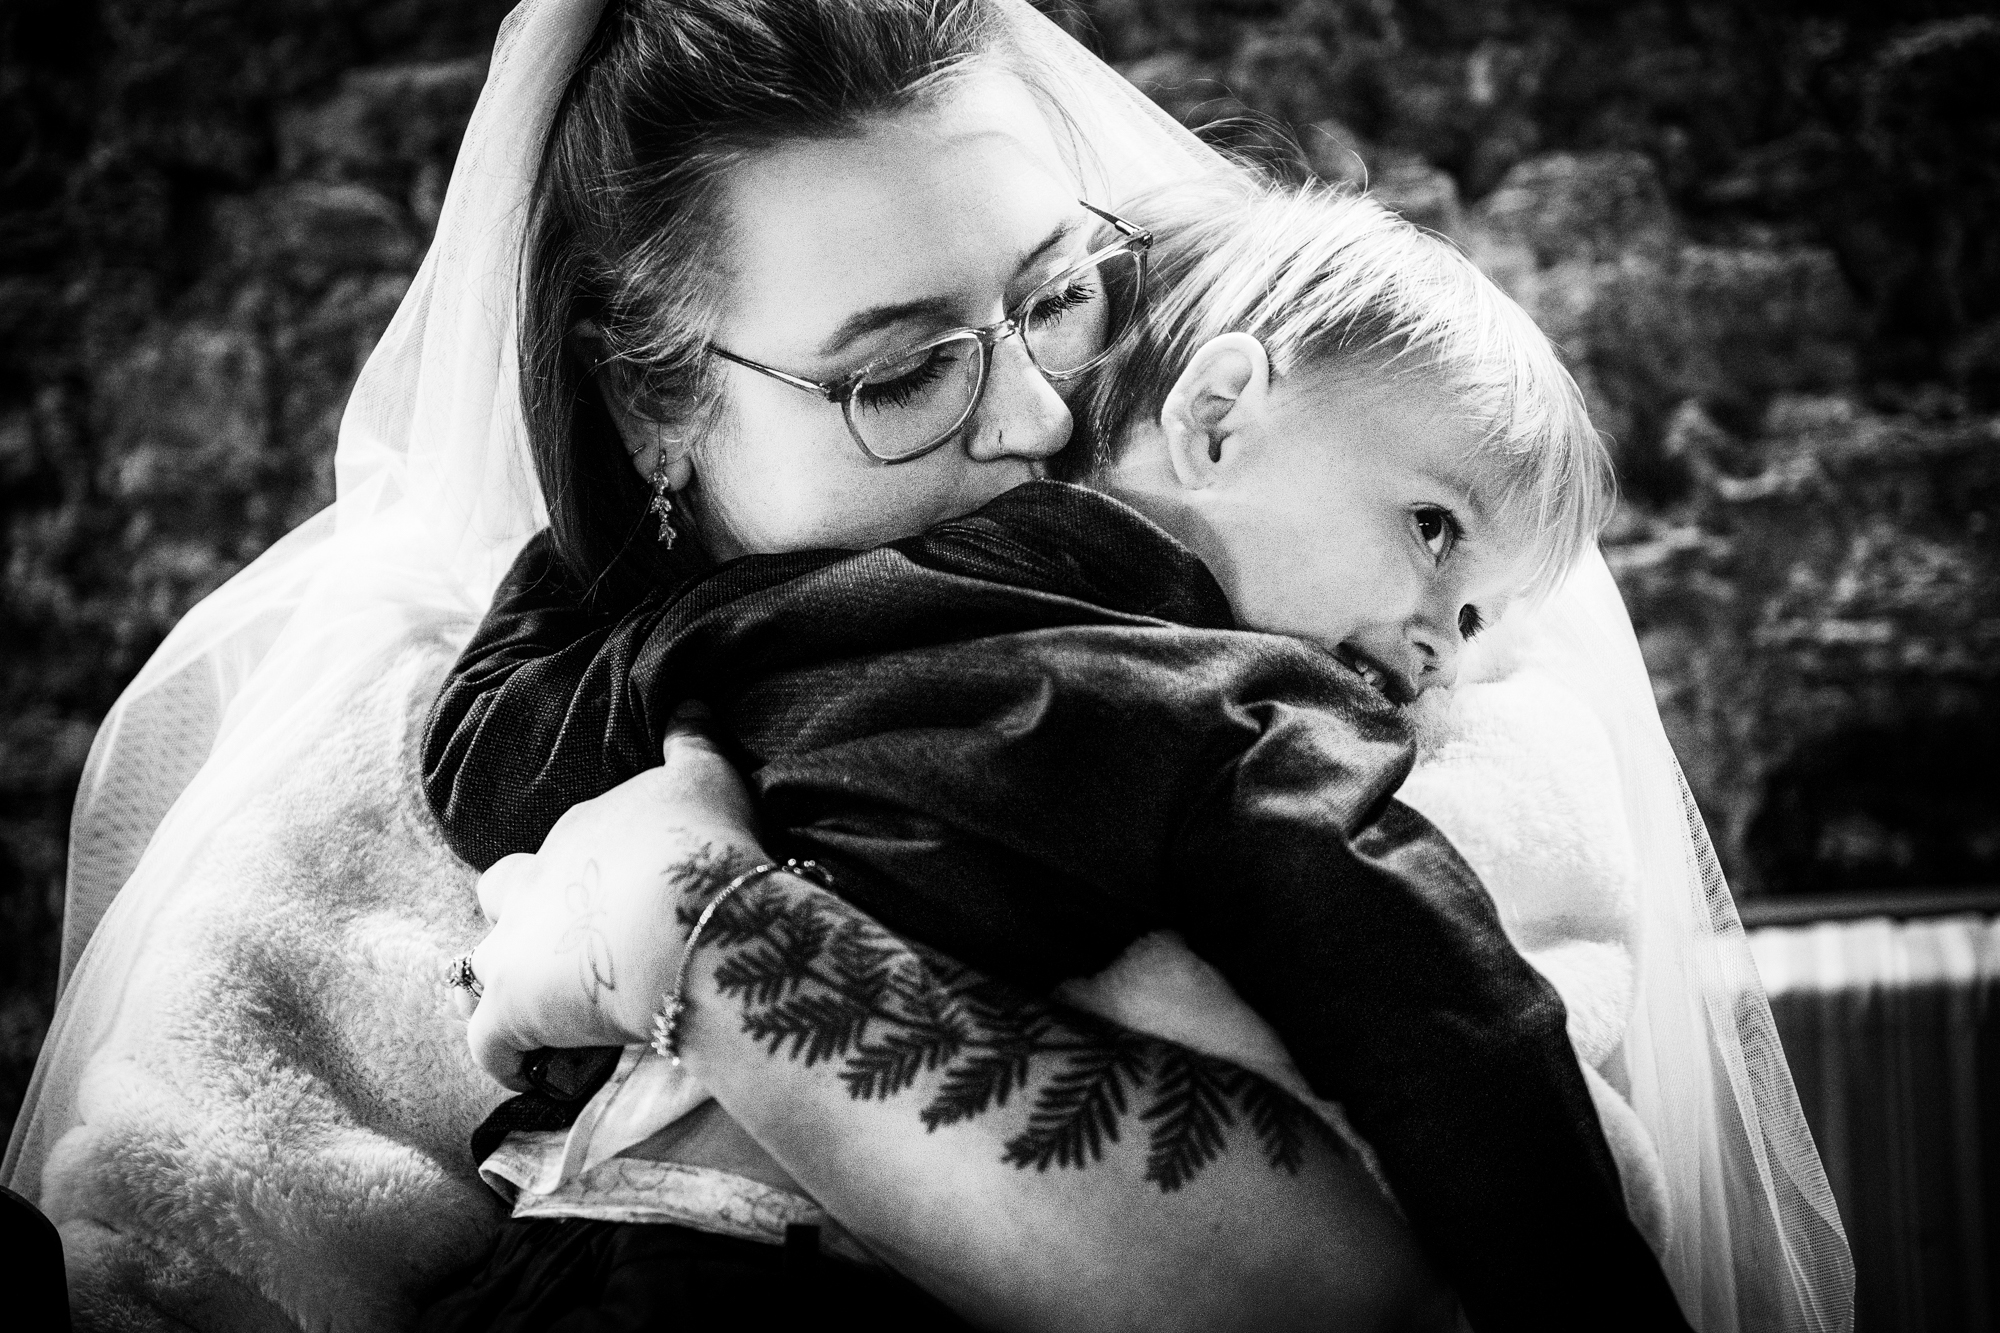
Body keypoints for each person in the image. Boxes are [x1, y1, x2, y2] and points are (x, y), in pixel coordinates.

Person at [4, 0, 1853, 1330]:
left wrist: (689, 908)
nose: (1046, 407)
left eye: (1057, 290)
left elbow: (1378, 1240)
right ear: (650, 414)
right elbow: (205, 1235)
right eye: (899, 372)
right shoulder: (482, 683)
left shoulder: (1330, 642)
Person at [424, 172, 1688, 1333]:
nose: (1441, 652)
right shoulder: (1241, 715)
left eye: (1474, 617)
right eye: (1430, 528)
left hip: (576, 1246)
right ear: (1214, 415)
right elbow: (1452, 1020)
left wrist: (593, 550)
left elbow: (492, 741)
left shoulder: (803, 600)